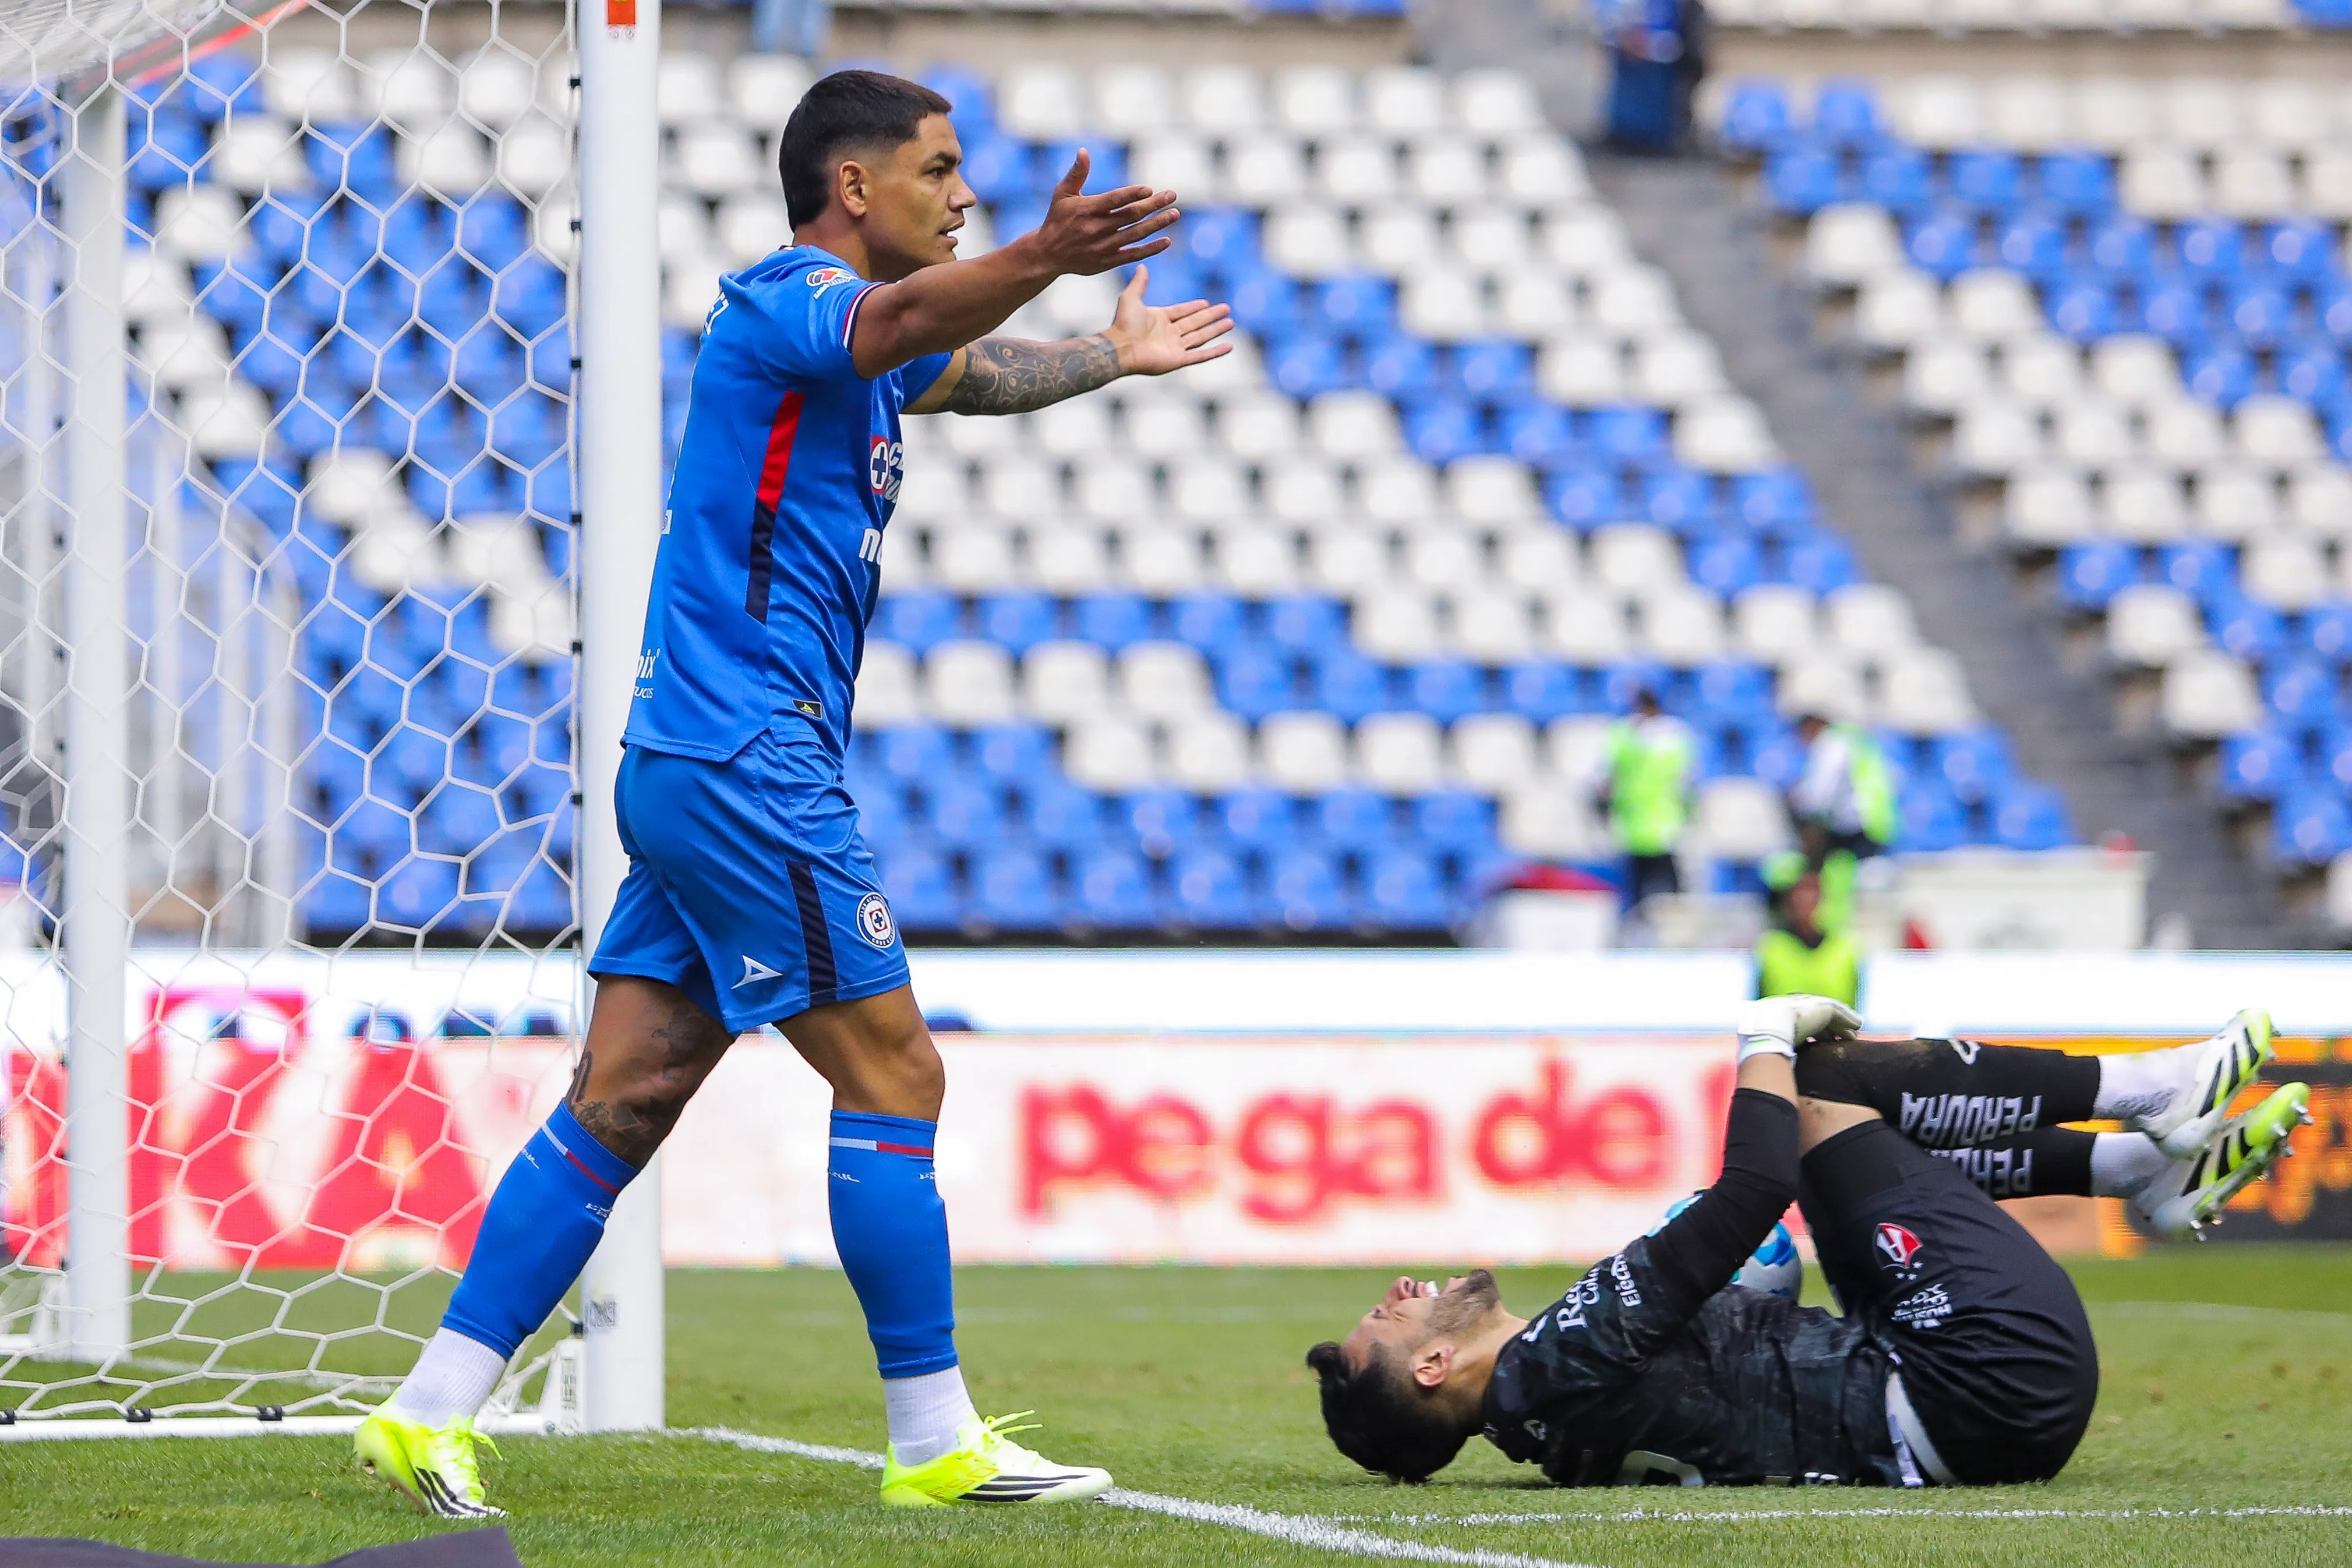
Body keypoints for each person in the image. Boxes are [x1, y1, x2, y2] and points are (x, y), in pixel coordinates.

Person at [356, 69, 1232, 1517]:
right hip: (748, 757)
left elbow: (969, 371)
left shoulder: (865, 351)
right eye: (939, 169)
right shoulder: (789, 302)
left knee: (627, 1095)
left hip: (699, 760)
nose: (964, 196)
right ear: (853, 187)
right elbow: (900, 323)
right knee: (897, 1071)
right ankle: (933, 1434)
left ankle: (427, 1409)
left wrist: (1108, 354)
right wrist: (1045, 253)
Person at [1306, 1003, 2305, 1488]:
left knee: (1831, 1134)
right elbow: (1754, 1190)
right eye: (1388, 1316)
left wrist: (1747, 1286)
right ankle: (2146, 1091)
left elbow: (1736, 1346)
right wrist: (1761, 1034)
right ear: (1431, 1367)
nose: (1399, 1288)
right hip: (1980, 1378)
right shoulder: (1557, 1356)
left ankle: (2136, 1171)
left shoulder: (1541, 1415)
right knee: (1819, 1076)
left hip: (1949, 1404)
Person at [1601, 687, 1694, 909]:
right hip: (1637, 821)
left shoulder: (1671, 736)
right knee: (1638, 886)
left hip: (1661, 820)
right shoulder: (1625, 734)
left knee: (1666, 886)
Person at [1790, 711, 1895, 860]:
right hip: (1868, 820)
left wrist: (1804, 809)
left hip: (1852, 825)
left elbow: (1822, 792)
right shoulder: (1852, 740)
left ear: (1811, 725)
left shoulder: (1831, 745)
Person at [1754, 866, 1859, 1007]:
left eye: (1812, 893)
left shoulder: (1845, 949)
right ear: (1788, 900)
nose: (1805, 901)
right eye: (1800, 894)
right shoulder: (1770, 947)